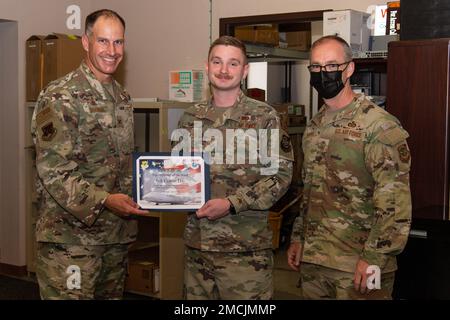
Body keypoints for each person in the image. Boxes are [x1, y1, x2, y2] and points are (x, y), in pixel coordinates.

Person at [31, 9, 147, 300]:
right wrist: (106, 200)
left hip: (114, 239)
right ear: (86, 42)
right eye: (103, 41)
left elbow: (120, 164)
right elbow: (55, 171)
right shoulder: (60, 96)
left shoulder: (122, 98)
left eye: (118, 43)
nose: (112, 51)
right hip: (70, 242)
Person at [287, 35, 412, 300]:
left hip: (360, 265)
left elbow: (394, 205)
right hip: (316, 261)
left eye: (332, 66)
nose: (324, 73)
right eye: (317, 67)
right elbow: (308, 190)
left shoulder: (378, 126)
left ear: (349, 68)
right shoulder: (315, 125)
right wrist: (298, 238)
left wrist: (374, 258)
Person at [174, 36, 294, 300]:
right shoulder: (189, 117)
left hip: (245, 252)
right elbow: (178, 173)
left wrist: (232, 203)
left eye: (233, 63)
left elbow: (280, 177)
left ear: (245, 70)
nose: (224, 70)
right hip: (198, 247)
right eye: (217, 62)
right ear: (207, 67)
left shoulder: (264, 117)